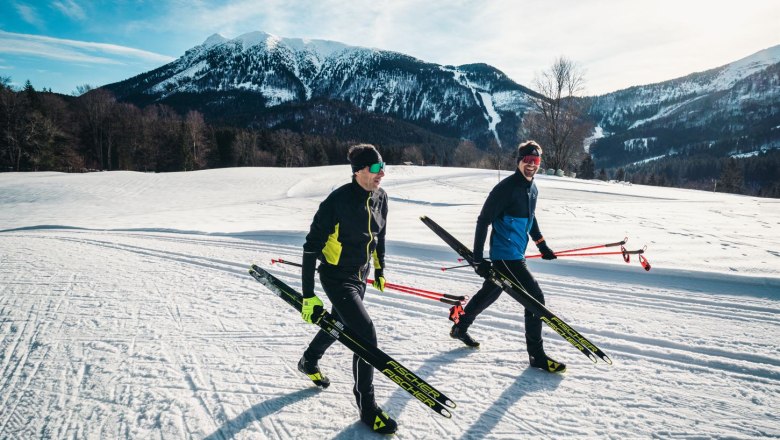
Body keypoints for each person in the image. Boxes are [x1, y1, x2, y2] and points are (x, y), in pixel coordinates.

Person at [297, 143, 397, 434]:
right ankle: (368, 409)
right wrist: (308, 295)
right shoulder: (336, 202)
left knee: (340, 323)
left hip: (360, 275)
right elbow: (310, 249)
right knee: (365, 334)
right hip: (336, 277)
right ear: (359, 171)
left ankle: (309, 361)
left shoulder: (381, 197)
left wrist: (379, 268)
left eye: (383, 168)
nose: (381, 174)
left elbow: (380, 236)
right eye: (376, 169)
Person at [449, 140, 567, 373]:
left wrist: (542, 244)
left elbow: (531, 219)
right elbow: (483, 221)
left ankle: (460, 328)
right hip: (505, 257)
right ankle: (537, 356)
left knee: (491, 291)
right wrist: (477, 258)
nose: (531, 165)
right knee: (535, 299)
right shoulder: (505, 188)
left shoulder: (532, 188)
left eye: (535, 161)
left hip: (515, 254)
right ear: (519, 161)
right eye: (527, 160)